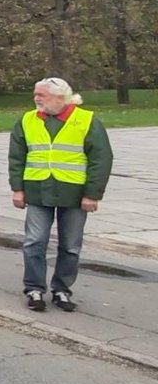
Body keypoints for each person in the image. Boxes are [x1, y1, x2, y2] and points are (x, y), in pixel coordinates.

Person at [9, 77, 113, 313]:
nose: (36, 98)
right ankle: (34, 288)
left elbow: (101, 159)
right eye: (35, 94)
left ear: (60, 97)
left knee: (70, 246)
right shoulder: (27, 119)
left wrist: (92, 194)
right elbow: (16, 157)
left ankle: (61, 289)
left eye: (41, 95)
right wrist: (17, 189)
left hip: (74, 193)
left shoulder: (86, 120)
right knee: (34, 242)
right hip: (37, 190)